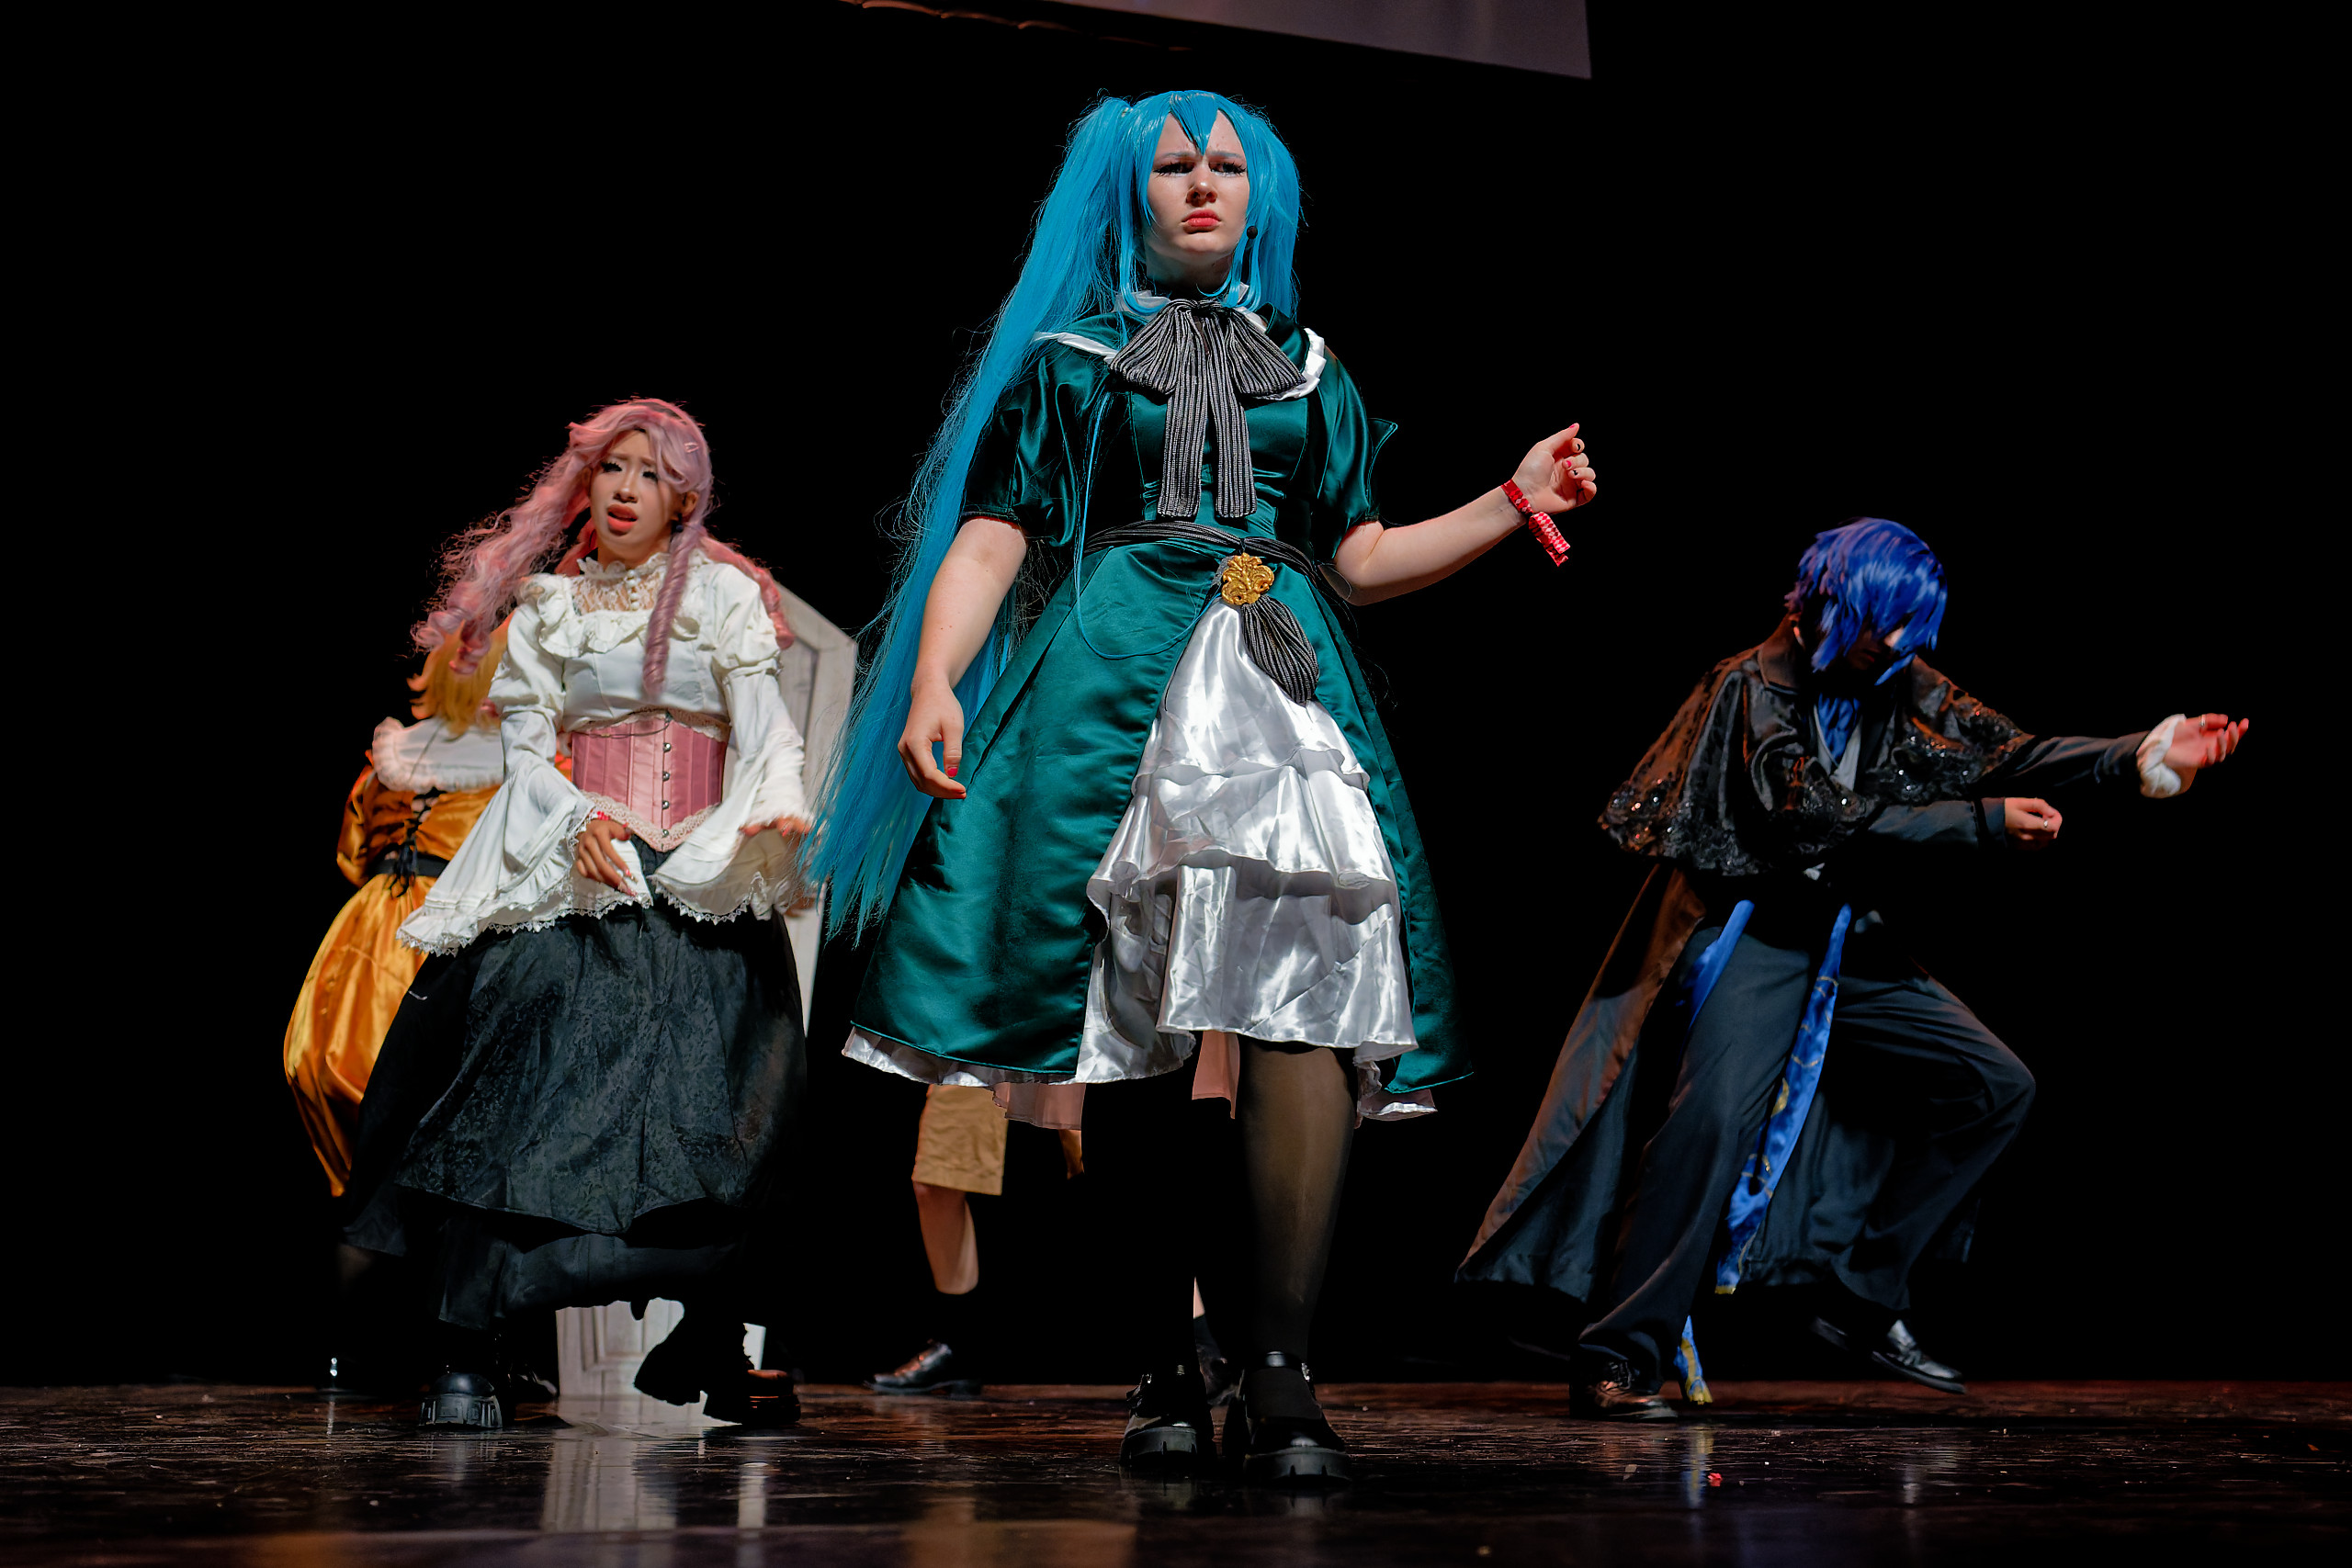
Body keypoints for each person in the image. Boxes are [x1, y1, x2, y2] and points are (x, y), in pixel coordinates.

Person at [807, 91, 1597, 1483]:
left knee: (1307, 1001)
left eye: (1226, 167)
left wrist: (1509, 498)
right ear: (1132, 194)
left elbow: (1356, 556)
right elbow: (995, 533)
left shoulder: (1310, 365)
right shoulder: (1071, 361)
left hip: (1278, 687)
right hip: (1113, 680)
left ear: (1258, 194)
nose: (1202, 186)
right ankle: (1164, 1365)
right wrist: (936, 676)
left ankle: (1281, 1369)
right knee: (1133, 1026)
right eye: (1175, 168)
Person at [1459, 518, 2248, 1418]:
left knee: (1992, 1085)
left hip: (1835, 936)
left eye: (1916, 626)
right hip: (1749, 930)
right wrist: (1982, 824)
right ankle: (1617, 1355)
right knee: (1708, 1127)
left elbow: (2005, 751)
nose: (1905, 642)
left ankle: (1860, 1294)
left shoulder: (1894, 677)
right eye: (1889, 622)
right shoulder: (1750, 687)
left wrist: (2138, 755)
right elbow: (1811, 816)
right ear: (1831, 604)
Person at [359, 398, 812, 1431]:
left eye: (651, 474)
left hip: (702, 868)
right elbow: (527, 752)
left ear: (684, 499)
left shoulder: (723, 597)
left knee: (732, 1098)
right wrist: (574, 822)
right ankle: (469, 1341)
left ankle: (713, 1335)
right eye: (613, 468)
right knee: (524, 1079)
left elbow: (766, 728)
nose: (624, 489)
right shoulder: (554, 608)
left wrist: (778, 806)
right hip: (585, 859)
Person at [284, 630, 509, 1201]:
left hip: (370, 923)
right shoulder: (518, 763)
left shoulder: (388, 759)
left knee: (335, 1056)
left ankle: (364, 1195)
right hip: (447, 922)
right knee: (418, 1071)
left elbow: (351, 853)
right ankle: (402, 1202)